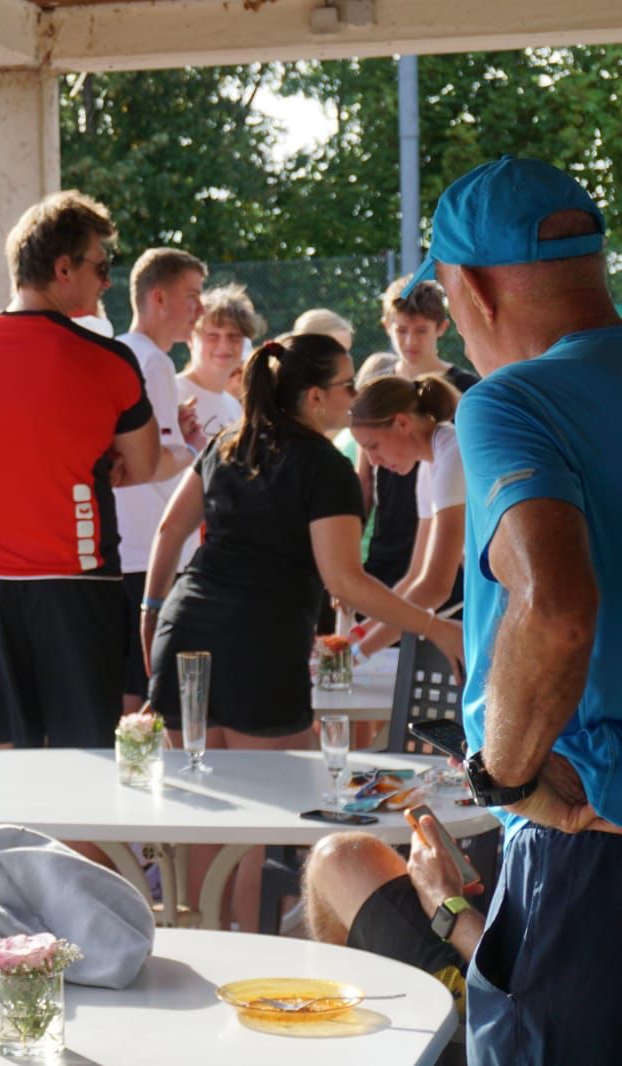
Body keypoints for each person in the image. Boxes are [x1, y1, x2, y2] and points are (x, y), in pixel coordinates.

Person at [141, 334, 464, 930]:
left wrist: (151, 611)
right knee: (266, 823)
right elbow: (345, 579)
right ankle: (251, 949)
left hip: (185, 627)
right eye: (346, 386)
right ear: (315, 397)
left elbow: (169, 532)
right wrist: (433, 628)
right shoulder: (325, 466)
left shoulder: (225, 444)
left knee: (201, 814)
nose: (354, 396)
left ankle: (203, 941)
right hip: (259, 645)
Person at [410, 156, 622, 1064]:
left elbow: (557, 608)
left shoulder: (511, 401)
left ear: (474, 289)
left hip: (587, 844)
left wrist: (504, 777)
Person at [0, 190, 159, 749]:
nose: (106, 282)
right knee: (82, 758)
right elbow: (144, 463)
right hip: (74, 580)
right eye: (101, 267)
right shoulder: (106, 357)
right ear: (63, 269)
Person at [113, 248, 210, 713]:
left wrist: (177, 437)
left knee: (130, 684)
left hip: (127, 547)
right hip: (150, 551)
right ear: (158, 298)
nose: (200, 309)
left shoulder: (120, 351)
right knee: (154, 688)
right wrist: (195, 451)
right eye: (192, 296)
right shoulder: (153, 361)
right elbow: (151, 464)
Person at [300, 816, 483, 1016]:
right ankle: (334, 1014)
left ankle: (330, 1020)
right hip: (487, 943)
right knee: (341, 855)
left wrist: (444, 896)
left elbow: (504, 972)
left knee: (334, 858)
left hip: (487, 991)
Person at [360, 277, 478, 589]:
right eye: (401, 330)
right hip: (389, 547)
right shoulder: (375, 388)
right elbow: (365, 475)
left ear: (442, 328)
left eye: (421, 330)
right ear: (386, 326)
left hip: (452, 548)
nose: (410, 341)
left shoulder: (468, 392)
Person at [347, 375, 465, 659]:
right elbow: (415, 576)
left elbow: (435, 587)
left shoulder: (452, 454)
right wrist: (357, 634)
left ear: (402, 423)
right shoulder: (430, 463)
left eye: (373, 446)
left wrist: (356, 655)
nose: (373, 461)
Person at [177, 283, 264, 443]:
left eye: (234, 336)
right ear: (190, 339)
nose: (224, 346)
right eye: (212, 336)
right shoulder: (173, 393)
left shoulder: (235, 408)